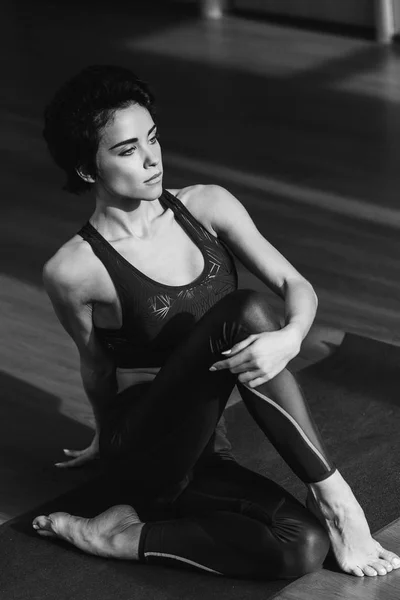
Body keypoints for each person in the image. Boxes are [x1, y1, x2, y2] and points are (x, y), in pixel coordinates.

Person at [32, 65, 400, 580]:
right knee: (246, 311)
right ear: (88, 170)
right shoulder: (73, 269)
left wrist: (289, 338)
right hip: (142, 451)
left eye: (153, 138)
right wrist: (103, 442)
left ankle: (118, 537)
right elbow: (95, 366)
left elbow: (298, 288)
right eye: (127, 150)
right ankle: (337, 499)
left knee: (301, 547)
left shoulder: (206, 206)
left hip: (206, 445)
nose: (152, 158)